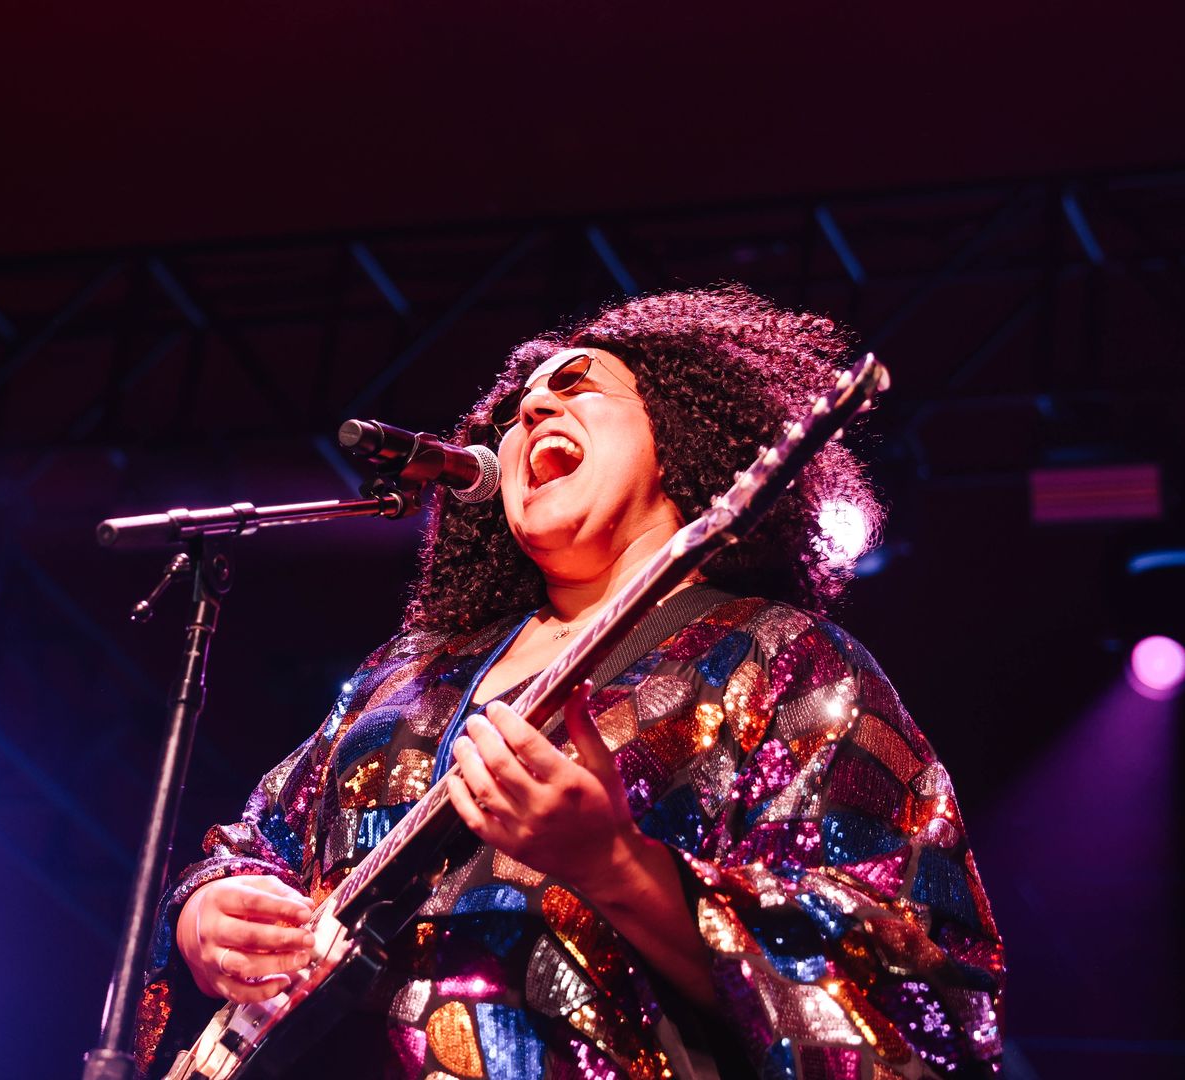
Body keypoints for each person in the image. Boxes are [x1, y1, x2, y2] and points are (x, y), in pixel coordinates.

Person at [136, 286, 1005, 1078]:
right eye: (516, 410)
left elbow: (914, 975)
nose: (533, 408)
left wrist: (618, 866)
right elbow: (256, 842)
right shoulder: (408, 672)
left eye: (577, 385)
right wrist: (209, 914)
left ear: (679, 436)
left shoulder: (785, 658)